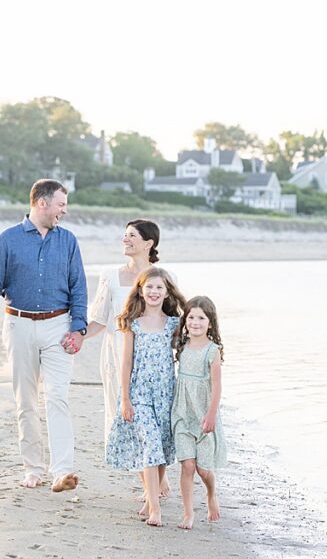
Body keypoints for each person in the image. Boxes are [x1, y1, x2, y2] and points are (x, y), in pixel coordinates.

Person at [0, 179, 88, 493]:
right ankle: (33, 468)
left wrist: (78, 328)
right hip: (18, 324)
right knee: (25, 400)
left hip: (59, 326)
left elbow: (79, 288)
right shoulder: (8, 240)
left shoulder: (68, 241)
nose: (64, 211)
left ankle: (63, 471)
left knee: (57, 397)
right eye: (61, 205)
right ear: (42, 203)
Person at [84, 219, 173, 499]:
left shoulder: (162, 278)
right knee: (126, 418)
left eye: (131, 236)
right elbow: (98, 320)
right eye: (124, 235)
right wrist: (75, 337)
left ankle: (157, 485)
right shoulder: (110, 275)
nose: (125, 240)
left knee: (156, 421)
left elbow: (174, 323)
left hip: (153, 362)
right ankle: (153, 487)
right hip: (117, 356)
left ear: (149, 243)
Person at [105, 267, 187, 526]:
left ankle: (152, 497)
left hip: (165, 394)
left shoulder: (174, 324)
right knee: (151, 446)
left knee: (161, 448)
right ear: (140, 290)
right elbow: (126, 363)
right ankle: (155, 509)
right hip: (139, 394)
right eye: (149, 287)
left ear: (167, 292)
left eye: (159, 287)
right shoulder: (133, 324)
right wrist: (125, 399)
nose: (154, 292)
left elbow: (191, 349)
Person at [172, 296, 228, 529]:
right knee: (187, 465)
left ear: (210, 323)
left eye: (201, 318)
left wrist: (212, 414)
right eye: (191, 317)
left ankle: (211, 494)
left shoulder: (212, 351)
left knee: (204, 470)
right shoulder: (181, 345)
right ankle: (188, 512)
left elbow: (216, 386)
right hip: (182, 413)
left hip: (204, 414)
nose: (195, 322)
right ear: (185, 320)